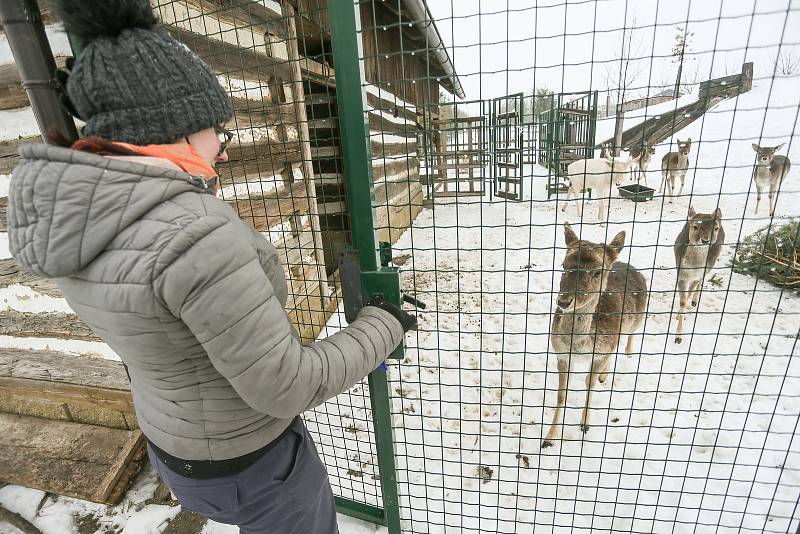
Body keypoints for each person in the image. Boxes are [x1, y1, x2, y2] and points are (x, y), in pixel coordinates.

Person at [6, 1, 416, 532]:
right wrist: (385, 324)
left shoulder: (75, 212)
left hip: (176, 450)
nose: (222, 147)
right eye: (217, 127)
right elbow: (285, 385)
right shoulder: (195, 233)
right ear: (174, 128)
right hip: (254, 463)